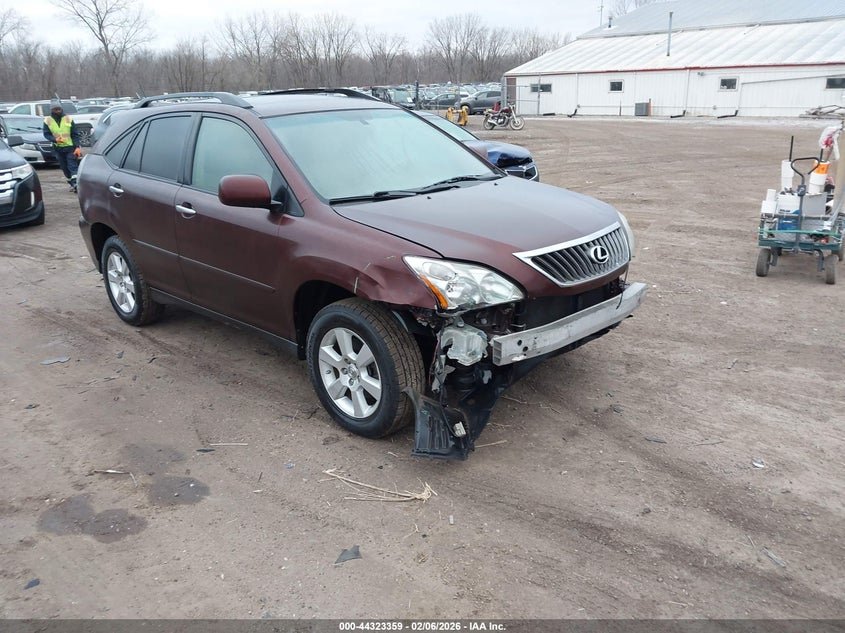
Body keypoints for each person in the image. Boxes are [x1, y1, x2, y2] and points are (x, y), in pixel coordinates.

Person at [43, 101, 82, 193]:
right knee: (64, 167)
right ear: (52, 110)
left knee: (72, 166)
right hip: (58, 148)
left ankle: (76, 183)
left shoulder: (68, 119)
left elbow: (75, 134)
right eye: (56, 109)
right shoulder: (47, 121)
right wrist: (54, 139)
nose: (58, 111)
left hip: (70, 148)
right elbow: (46, 134)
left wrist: (77, 147)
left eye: (59, 109)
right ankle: (71, 183)